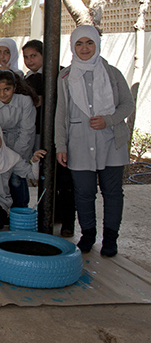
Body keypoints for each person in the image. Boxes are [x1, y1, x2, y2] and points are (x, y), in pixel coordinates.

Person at [55, 25, 134, 257]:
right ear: (72, 46)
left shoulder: (112, 73)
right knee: (84, 192)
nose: (85, 48)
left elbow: (127, 104)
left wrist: (109, 120)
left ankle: (110, 239)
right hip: (78, 143)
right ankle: (88, 235)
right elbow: (61, 113)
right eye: (79, 43)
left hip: (111, 142)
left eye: (89, 43)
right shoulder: (66, 76)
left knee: (112, 192)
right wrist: (61, 145)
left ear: (97, 44)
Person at [24, 39, 76, 237]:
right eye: (26, 57)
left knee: (64, 179)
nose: (30, 60)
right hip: (38, 134)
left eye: (34, 56)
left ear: (44, 56)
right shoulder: (28, 79)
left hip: (60, 134)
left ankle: (68, 222)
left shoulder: (60, 75)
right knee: (45, 177)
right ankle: (52, 214)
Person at [0, 70, 36, 208]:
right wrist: (0, 153)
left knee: (17, 177)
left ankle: (20, 210)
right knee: (0, 176)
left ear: (15, 88)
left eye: (7, 89)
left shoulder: (25, 101)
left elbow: (27, 131)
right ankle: (2, 209)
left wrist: (14, 157)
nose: (2, 94)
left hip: (21, 143)